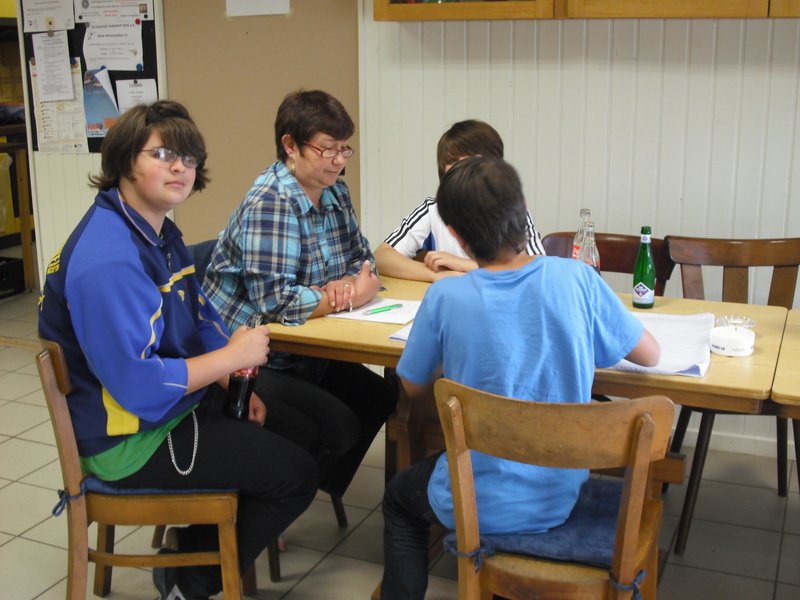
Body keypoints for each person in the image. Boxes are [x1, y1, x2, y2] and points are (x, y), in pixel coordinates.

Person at [37, 100, 319, 600]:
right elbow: (138, 387)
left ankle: (204, 542)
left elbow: (199, 319)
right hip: (128, 440)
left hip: (166, 409)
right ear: (125, 161)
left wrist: (230, 377)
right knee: (296, 475)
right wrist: (232, 359)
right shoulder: (109, 258)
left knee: (303, 428)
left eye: (188, 158)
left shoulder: (156, 229)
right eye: (162, 154)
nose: (180, 168)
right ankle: (189, 580)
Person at [378, 157, 660, 600]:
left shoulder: (445, 296)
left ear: (455, 234)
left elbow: (412, 385)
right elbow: (649, 354)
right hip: (559, 493)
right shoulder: (576, 279)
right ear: (523, 208)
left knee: (399, 498)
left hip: (470, 500)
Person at [204, 89, 397, 501]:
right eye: (327, 149)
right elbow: (276, 302)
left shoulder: (335, 191)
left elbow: (362, 258)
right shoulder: (271, 202)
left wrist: (348, 284)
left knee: (381, 395)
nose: (339, 160)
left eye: (344, 148)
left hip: (302, 346)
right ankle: (274, 497)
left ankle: (298, 487)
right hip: (251, 355)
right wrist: (352, 297)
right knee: (338, 425)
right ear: (291, 145)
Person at [373, 119, 546, 282]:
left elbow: (537, 268)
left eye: (472, 161)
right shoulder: (433, 209)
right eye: (454, 162)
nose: (465, 170)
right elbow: (382, 257)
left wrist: (464, 265)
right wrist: (435, 274)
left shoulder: (510, 207)